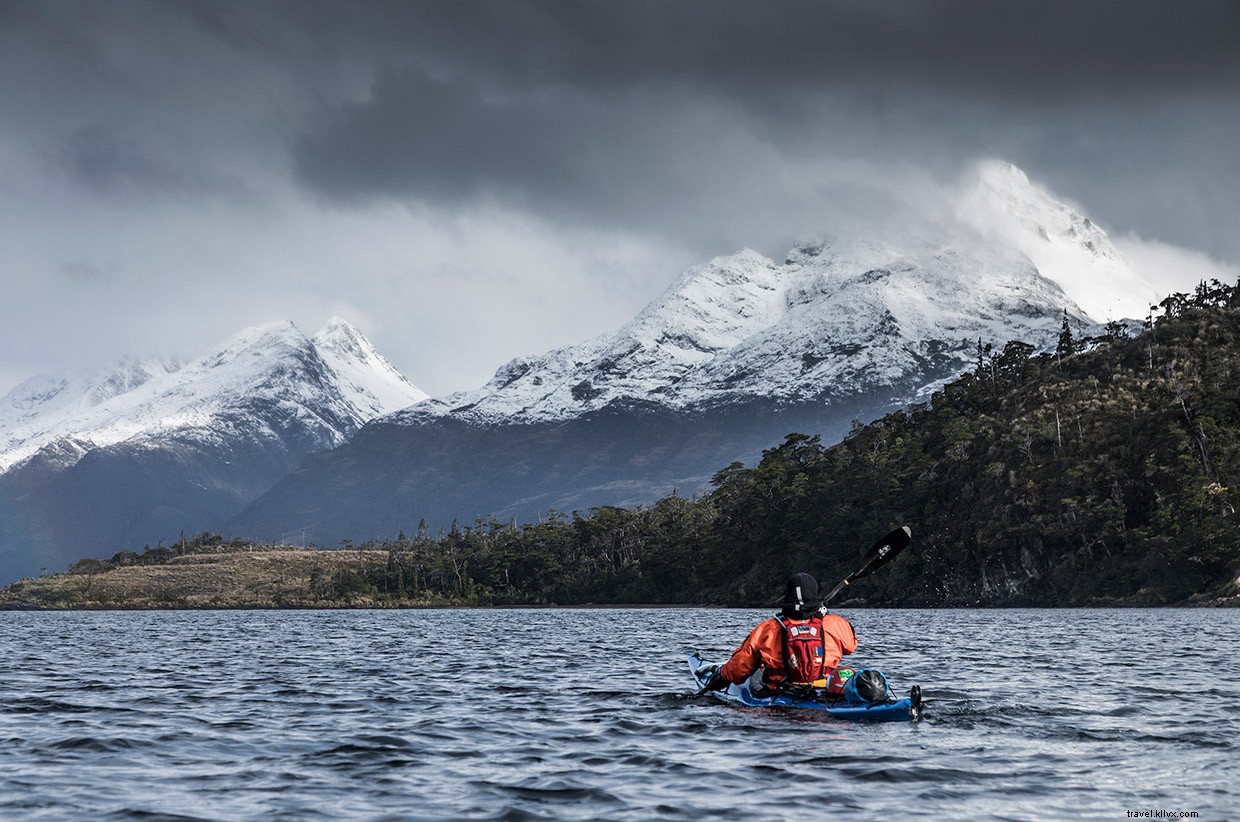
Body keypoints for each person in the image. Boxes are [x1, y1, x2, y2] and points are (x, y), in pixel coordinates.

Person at [702, 572, 857, 695]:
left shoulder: (768, 628)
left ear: (787, 595)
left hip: (783, 692)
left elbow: (739, 669)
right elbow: (851, 646)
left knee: (757, 672)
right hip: (824, 691)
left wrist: (722, 674)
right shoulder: (835, 624)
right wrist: (825, 614)